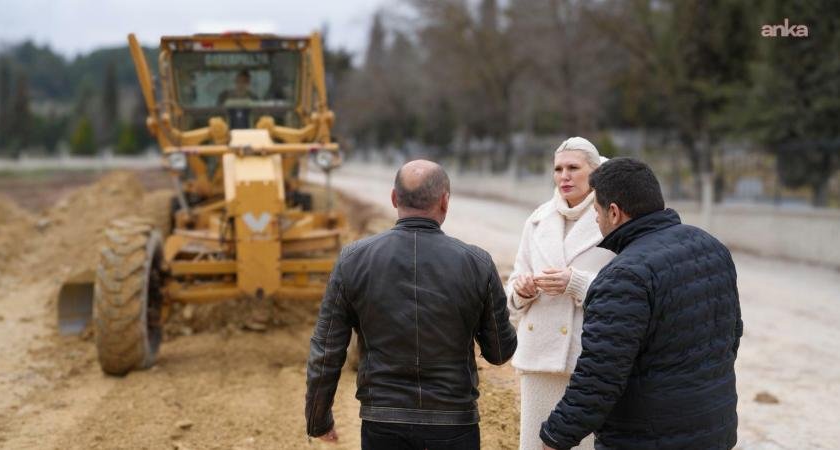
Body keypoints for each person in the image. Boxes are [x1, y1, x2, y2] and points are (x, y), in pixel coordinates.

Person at [305, 159, 517, 449]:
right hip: (454, 423)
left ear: (394, 198)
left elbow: (326, 350)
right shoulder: (477, 263)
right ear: (445, 201)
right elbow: (500, 352)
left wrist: (318, 418)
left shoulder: (353, 259)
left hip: (383, 422)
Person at [540, 158, 743, 450]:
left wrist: (555, 437)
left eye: (596, 212)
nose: (596, 221)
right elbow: (731, 337)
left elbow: (599, 378)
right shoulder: (710, 246)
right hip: (714, 428)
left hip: (647, 438)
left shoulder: (623, 276)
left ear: (614, 212)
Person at [505, 137, 615, 450]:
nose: (564, 175)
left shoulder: (611, 218)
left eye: (573, 168)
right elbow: (512, 289)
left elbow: (628, 290)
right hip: (538, 358)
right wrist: (521, 290)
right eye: (558, 169)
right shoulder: (538, 219)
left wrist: (576, 283)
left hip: (587, 360)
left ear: (594, 172)